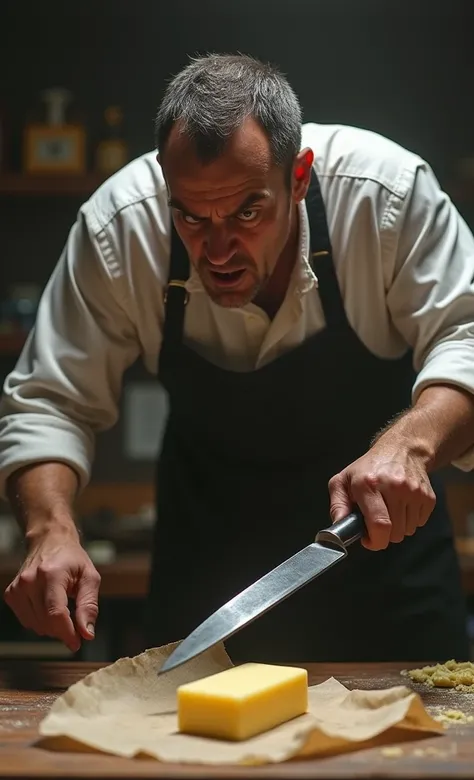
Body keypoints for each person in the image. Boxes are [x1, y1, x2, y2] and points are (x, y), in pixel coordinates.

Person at [1, 53, 474, 664]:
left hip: (386, 560)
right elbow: (49, 400)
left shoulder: (385, 197)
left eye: (248, 211)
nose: (218, 248)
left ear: (298, 178)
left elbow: (467, 331)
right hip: (209, 583)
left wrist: (410, 445)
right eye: (191, 217)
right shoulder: (119, 228)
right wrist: (49, 531)